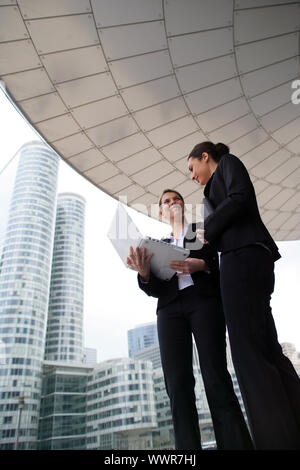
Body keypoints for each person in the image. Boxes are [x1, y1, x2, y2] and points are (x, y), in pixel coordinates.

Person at [188, 141, 300, 450]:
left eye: (192, 167)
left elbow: (240, 199)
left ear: (205, 157)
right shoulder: (208, 193)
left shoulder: (228, 164)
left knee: (248, 355)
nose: (191, 175)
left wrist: (207, 227)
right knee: (266, 351)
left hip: (244, 256)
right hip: (242, 257)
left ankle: (274, 440)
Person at [126, 189, 253, 450]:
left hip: (203, 302)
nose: (172, 203)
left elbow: (222, 266)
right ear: (161, 211)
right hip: (169, 311)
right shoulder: (157, 245)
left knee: (215, 375)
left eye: (176, 199)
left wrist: (202, 265)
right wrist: (144, 274)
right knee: (177, 385)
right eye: (166, 201)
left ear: (183, 206)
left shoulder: (201, 233)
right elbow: (155, 289)